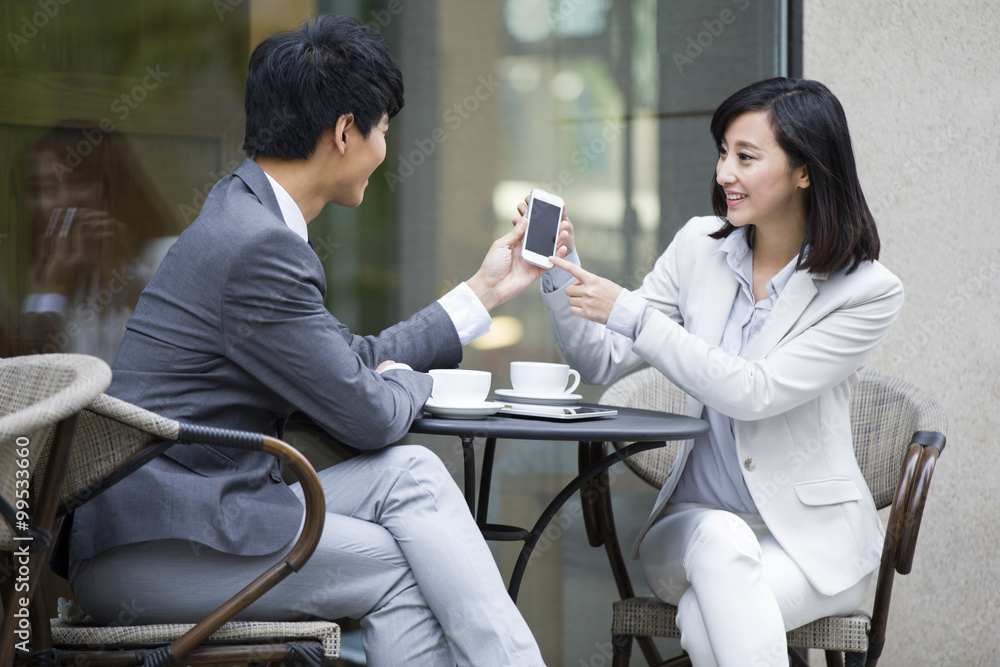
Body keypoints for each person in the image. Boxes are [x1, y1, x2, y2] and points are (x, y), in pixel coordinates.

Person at [62, 16, 556, 667]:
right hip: (153, 548)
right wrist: (423, 381)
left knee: (412, 474)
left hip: (202, 507)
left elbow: (346, 362)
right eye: (384, 128)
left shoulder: (243, 208)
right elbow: (372, 414)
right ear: (347, 131)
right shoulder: (259, 246)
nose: (385, 147)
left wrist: (484, 290)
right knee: (403, 565)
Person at [526, 77, 902, 666]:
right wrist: (558, 270)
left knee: (708, 622)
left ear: (805, 170)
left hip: (809, 548)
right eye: (723, 152)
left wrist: (634, 315)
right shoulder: (698, 248)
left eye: (745, 157)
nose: (724, 172)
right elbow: (597, 357)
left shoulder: (865, 292)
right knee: (723, 548)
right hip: (691, 532)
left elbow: (757, 391)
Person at [9, 122, 176, 363]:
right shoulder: (53, 280)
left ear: (116, 187)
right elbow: (27, 375)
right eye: (47, 189)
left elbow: (182, 341)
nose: (65, 201)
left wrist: (122, 271)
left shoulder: (169, 255)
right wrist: (55, 293)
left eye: (80, 181)